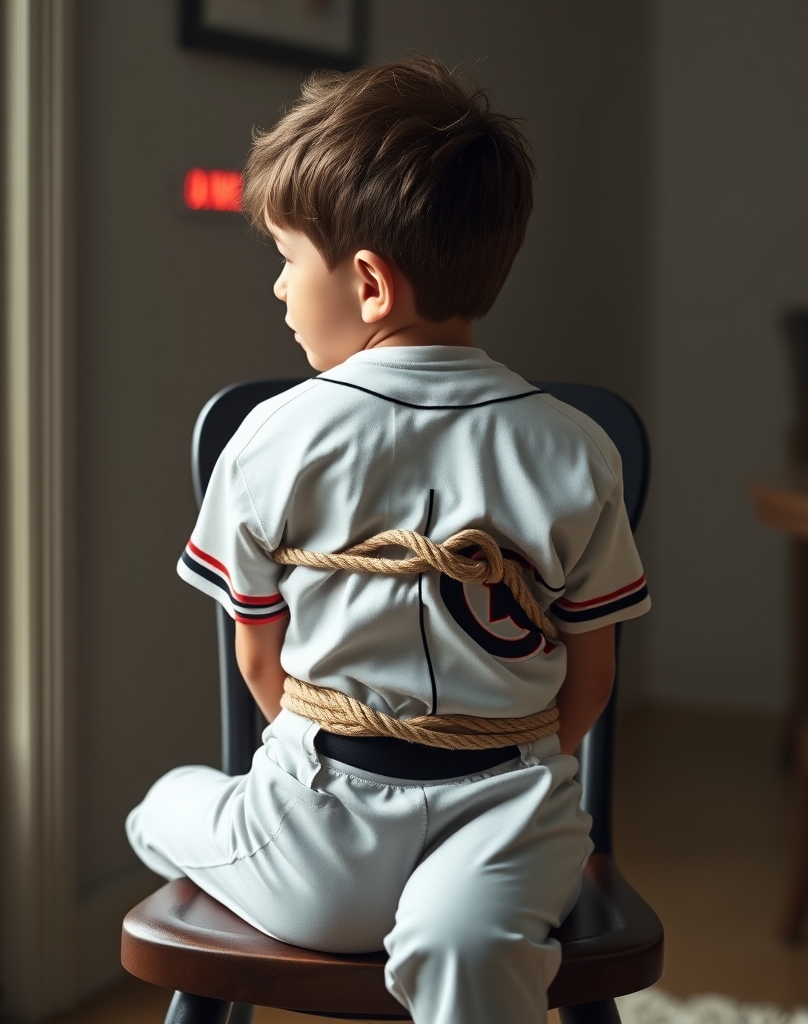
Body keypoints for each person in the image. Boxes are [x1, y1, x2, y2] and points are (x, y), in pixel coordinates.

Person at [126, 55, 650, 1024]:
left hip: (313, 848)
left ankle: (183, 819)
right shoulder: (573, 450)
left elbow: (260, 665)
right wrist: (499, 758)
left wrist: (367, 771)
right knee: (468, 943)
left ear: (368, 282)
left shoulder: (274, 438)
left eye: (287, 258)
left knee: (160, 807)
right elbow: (589, 683)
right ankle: (463, 937)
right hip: (505, 823)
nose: (280, 290)